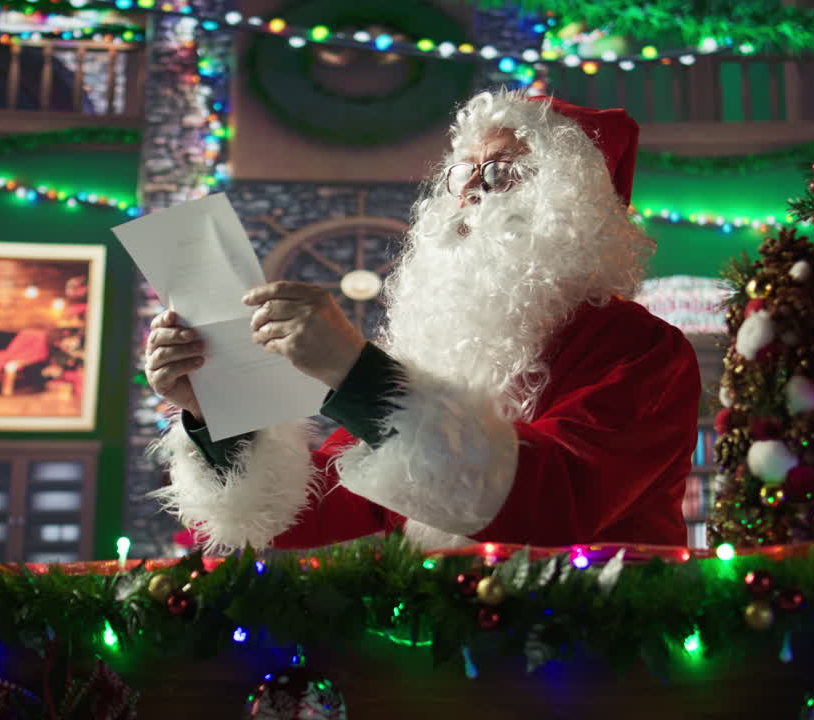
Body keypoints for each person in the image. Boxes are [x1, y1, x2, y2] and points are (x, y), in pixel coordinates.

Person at [143, 89, 701, 553]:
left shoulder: (642, 349)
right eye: (466, 172)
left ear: (572, 206)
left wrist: (356, 373)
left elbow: (555, 503)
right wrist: (213, 404)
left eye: (503, 171)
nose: (474, 188)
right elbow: (305, 516)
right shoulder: (438, 353)